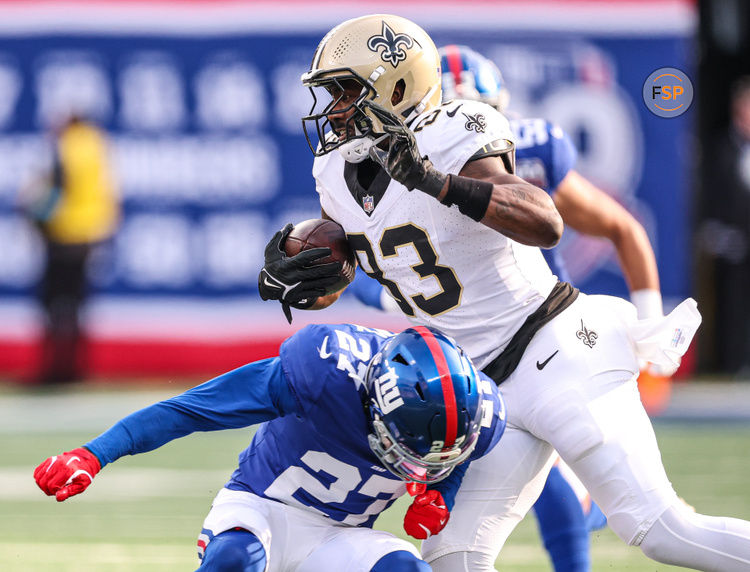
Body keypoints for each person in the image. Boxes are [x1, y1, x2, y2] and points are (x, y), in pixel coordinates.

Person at [258, 14, 750, 571]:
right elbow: (352, 258)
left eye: (347, 90)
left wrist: (435, 181)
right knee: (454, 560)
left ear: (395, 90)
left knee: (660, 530)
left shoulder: (453, 133)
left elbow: (545, 222)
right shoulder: (334, 169)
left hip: (557, 350)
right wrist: (309, 271)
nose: (334, 107)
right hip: (483, 393)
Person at [34, 323, 507, 571]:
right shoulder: (321, 376)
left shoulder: (473, 416)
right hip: (262, 510)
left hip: (342, 537)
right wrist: (95, 454)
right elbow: (190, 409)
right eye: (407, 447)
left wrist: (441, 496)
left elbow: (454, 459)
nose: (414, 466)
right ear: (375, 400)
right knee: (235, 560)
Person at [18, 114, 120, 384]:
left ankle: (55, 369)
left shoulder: (67, 147)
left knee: (54, 303)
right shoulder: (97, 144)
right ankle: (77, 368)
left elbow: (57, 191)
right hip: (88, 233)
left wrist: (33, 216)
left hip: (62, 233)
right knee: (76, 304)